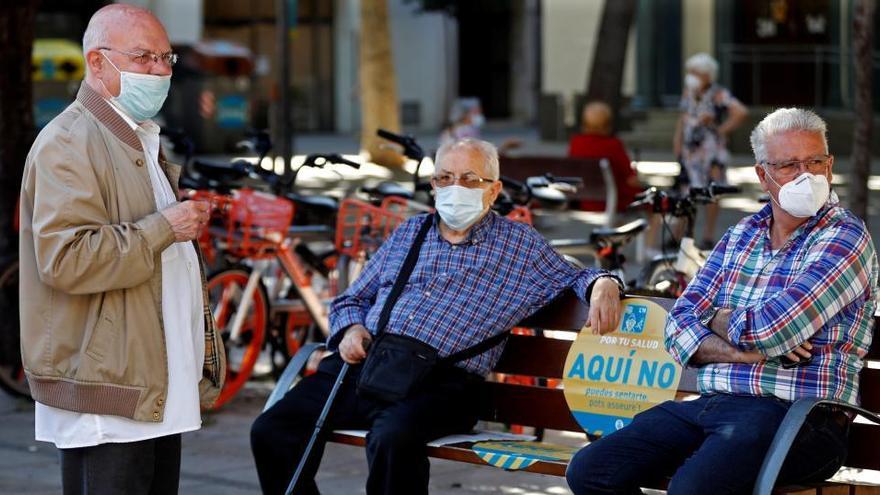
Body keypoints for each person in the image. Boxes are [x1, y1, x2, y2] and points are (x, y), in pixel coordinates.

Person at [251, 138, 624, 495]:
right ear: (433, 185)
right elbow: (352, 298)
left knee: (392, 439)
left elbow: (576, 276)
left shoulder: (518, 245)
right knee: (272, 430)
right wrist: (350, 329)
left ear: (493, 191)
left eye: (469, 179)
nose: (454, 187)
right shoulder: (411, 231)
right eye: (445, 178)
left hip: (442, 384)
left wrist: (605, 283)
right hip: (370, 364)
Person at [566, 108, 878, 494]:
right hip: (714, 403)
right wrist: (742, 352)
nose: (806, 175)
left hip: (799, 417)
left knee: (693, 489)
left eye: (816, 161)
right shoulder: (741, 234)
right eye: (790, 165)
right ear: (763, 175)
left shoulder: (845, 237)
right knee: (590, 470)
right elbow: (678, 325)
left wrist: (713, 319)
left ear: (830, 166)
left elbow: (773, 330)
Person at [18, 5, 225, 493]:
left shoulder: (136, 137)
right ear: (97, 63)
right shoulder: (69, 142)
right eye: (143, 57)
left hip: (150, 383)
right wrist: (163, 228)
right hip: (109, 389)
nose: (159, 69)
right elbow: (66, 260)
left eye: (165, 57)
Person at [673, 52, 748, 249]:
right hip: (691, 151)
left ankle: (707, 235)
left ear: (707, 74)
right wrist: (677, 142)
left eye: (695, 72)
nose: (690, 75)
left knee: (712, 191)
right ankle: (679, 235)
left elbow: (740, 112)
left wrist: (719, 130)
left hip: (712, 151)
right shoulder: (688, 92)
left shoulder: (717, 93)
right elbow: (683, 118)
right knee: (686, 190)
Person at [568, 101, 642, 212]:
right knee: (656, 202)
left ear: (584, 124)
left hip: (585, 201)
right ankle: (652, 229)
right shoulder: (614, 145)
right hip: (615, 201)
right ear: (608, 125)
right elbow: (630, 178)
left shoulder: (576, 143)